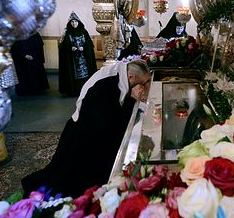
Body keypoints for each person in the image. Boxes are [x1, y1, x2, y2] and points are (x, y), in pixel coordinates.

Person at [21, 59, 151, 197]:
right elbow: (110, 125)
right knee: (68, 177)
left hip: (93, 129)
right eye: (144, 83)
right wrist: (132, 100)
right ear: (131, 77)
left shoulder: (123, 75)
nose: (145, 87)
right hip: (83, 134)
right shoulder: (105, 86)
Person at [58, 12, 97, 96]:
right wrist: (70, 48)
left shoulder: (84, 31)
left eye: (75, 21)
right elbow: (63, 46)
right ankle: (74, 91)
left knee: (85, 74)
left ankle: (85, 89)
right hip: (72, 59)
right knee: (74, 74)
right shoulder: (67, 33)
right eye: (72, 22)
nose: (74, 23)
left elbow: (89, 45)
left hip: (84, 58)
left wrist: (84, 48)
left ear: (78, 22)